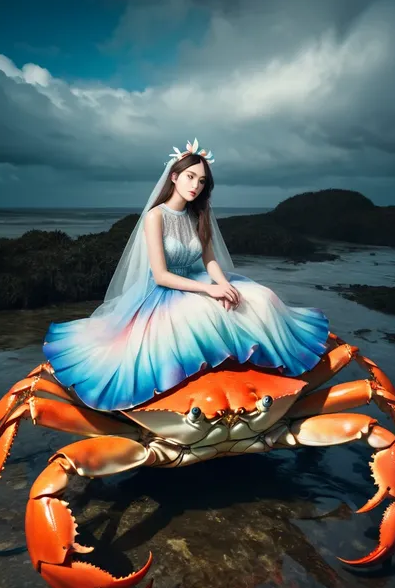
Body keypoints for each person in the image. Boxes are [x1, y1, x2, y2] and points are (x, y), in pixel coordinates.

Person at [43, 139, 330, 411]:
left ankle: (273, 369)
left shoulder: (197, 216)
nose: (195, 185)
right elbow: (161, 276)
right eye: (190, 177)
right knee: (197, 316)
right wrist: (209, 290)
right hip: (166, 288)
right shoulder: (155, 216)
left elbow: (210, 261)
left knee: (261, 298)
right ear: (174, 176)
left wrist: (224, 284)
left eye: (202, 181)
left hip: (198, 278)